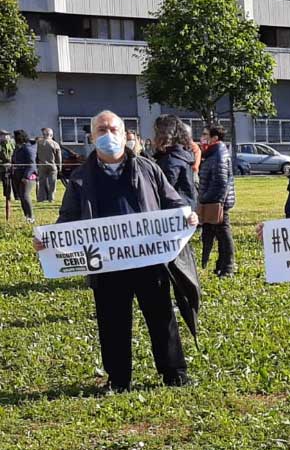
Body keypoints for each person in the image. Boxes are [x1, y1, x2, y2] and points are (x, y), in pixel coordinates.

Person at [34, 110, 198, 392]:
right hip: (106, 264)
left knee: (162, 317)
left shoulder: (149, 168)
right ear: (92, 137)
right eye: (101, 130)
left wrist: (186, 215)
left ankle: (175, 373)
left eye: (113, 130)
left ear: (124, 135)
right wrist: (50, 239)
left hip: (150, 260)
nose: (108, 135)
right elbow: (69, 216)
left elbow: (172, 201)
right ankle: (119, 379)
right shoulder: (81, 177)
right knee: (112, 322)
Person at [197, 123, 236, 277]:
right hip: (214, 201)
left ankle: (228, 267)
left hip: (218, 203)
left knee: (224, 235)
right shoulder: (212, 153)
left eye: (206, 135)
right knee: (220, 235)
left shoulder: (219, 154)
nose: (202, 138)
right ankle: (221, 265)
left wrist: (207, 200)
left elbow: (220, 182)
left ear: (214, 138)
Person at [152, 115, 197, 209]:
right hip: (186, 205)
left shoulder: (171, 160)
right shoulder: (183, 153)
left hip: (174, 211)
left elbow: (165, 189)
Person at [11, 130, 35, 223]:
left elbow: (32, 164)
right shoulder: (17, 148)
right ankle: (27, 216)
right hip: (17, 175)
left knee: (25, 196)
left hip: (27, 177)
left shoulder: (28, 148)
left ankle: (31, 217)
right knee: (21, 196)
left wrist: (26, 176)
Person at [35, 127, 61, 203]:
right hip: (52, 165)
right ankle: (51, 198)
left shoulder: (39, 143)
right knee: (52, 182)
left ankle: (41, 198)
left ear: (43, 135)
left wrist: (37, 163)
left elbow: (36, 154)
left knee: (42, 182)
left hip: (42, 165)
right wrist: (59, 166)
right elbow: (59, 157)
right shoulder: (55, 144)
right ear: (51, 135)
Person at [0, 130, 13, 212]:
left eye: (7, 135)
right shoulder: (1, 145)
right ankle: (7, 196)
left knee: (9, 183)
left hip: (10, 166)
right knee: (5, 182)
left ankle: (9, 196)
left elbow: (13, 153)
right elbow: (4, 156)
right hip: (3, 168)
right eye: (4, 135)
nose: (6, 137)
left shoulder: (11, 144)